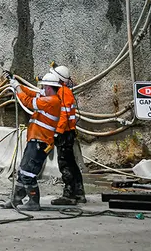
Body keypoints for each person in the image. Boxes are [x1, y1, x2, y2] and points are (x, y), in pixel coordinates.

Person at [2, 71, 62, 211]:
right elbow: (29, 92)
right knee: (23, 169)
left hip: (40, 143)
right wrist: (15, 82)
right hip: (35, 140)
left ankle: (34, 201)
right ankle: (16, 198)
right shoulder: (47, 97)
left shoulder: (52, 101)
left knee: (28, 172)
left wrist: (16, 88)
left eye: (44, 87)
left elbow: (27, 101)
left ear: (48, 87)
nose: (42, 89)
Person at [49, 63, 87, 205]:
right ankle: (79, 192)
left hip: (64, 134)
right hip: (69, 133)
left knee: (64, 163)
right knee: (72, 163)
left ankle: (69, 195)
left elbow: (63, 114)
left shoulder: (63, 92)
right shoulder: (65, 91)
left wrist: (57, 133)